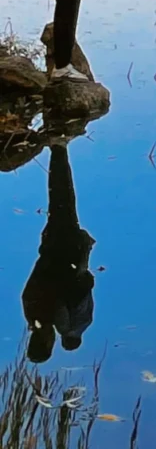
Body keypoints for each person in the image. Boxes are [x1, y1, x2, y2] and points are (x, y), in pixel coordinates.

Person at [22, 143, 96, 363]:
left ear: (47, 343)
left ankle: (58, 148)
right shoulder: (34, 314)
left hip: (61, 250)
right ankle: (58, 151)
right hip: (53, 249)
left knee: (62, 198)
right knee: (61, 199)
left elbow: (71, 287)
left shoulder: (51, 318)